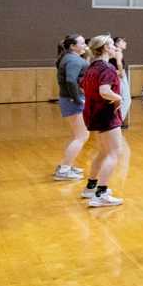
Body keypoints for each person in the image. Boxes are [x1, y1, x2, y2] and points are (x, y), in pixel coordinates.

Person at [79, 35, 125, 207]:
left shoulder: (91, 67)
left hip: (93, 113)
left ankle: (91, 186)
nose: (115, 48)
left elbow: (83, 85)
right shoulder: (107, 68)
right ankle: (101, 193)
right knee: (114, 152)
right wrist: (118, 97)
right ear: (105, 47)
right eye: (112, 45)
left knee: (104, 152)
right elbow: (105, 90)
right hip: (106, 112)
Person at [53, 34, 89, 180]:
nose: (85, 45)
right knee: (82, 136)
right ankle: (64, 170)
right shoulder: (73, 60)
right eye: (81, 43)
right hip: (72, 101)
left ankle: (65, 165)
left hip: (69, 99)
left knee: (77, 135)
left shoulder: (69, 58)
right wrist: (78, 100)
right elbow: (70, 81)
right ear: (73, 46)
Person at [112, 37, 131, 128]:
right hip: (120, 77)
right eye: (123, 41)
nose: (125, 43)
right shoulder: (118, 52)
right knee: (126, 99)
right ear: (117, 43)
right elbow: (119, 63)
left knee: (120, 99)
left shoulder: (113, 52)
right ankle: (118, 121)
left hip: (116, 76)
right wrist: (121, 73)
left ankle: (117, 120)